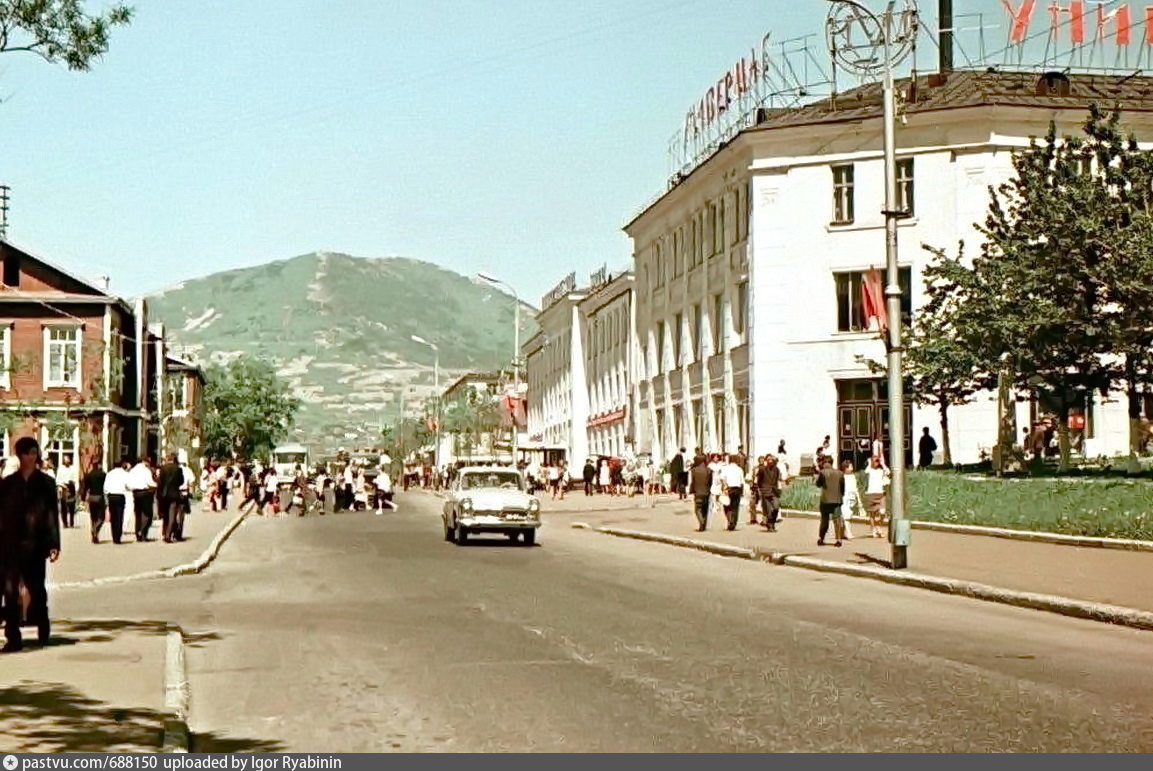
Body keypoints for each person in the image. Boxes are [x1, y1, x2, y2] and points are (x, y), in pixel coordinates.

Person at [1, 437, 61, 652]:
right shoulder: (8, 484)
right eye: (27, 453)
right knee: (10, 592)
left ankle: (43, 630)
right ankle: (13, 637)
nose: (31, 457)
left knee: (37, 588)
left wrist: (54, 543)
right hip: (11, 545)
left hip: (36, 544)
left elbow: (52, 514)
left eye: (34, 453)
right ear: (19, 456)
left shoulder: (46, 483)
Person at [814, 456, 845, 547]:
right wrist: (841, 495)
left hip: (825, 500)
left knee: (824, 520)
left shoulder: (822, 472)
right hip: (837, 500)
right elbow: (843, 487)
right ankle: (838, 539)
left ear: (824, 463)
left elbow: (818, 484)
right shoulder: (840, 473)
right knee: (837, 520)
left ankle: (821, 538)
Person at [156, 453, 185, 544]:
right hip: (174, 495)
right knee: (172, 515)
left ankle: (164, 533)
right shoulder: (178, 469)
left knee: (165, 515)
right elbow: (181, 481)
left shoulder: (163, 468)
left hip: (164, 495)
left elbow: (160, 482)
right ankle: (168, 535)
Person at [127, 457, 157, 542]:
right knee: (147, 514)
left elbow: (129, 484)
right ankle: (143, 533)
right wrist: (157, 485)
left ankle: (138, 533)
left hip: (136, 493)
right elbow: (150, 482)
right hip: (145, 493)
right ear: (145, 462)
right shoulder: (146, 471)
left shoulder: (132, 471)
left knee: (138, 514)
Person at [103, 458, 131, 545]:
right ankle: (118, 536)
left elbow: (105, 487)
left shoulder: (109, 474)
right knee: (119, 516)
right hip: (120, 496)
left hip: (111, 496)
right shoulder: (124, 473)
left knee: (113, 516)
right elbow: (128, 485)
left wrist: (107, 494)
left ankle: (114, 535)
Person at [863, 455, 891, 539]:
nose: (876, 462)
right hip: (871, 493)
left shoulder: (881, 471)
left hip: (880, 493)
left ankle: (878, 527)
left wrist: (883, 463)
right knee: (872, 514)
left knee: (882, 512)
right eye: (875, 461)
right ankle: (874, 530)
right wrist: (869, 463)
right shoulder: (870, 470)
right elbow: (866, 472)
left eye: (877, 461)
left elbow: (888, 472)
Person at [81, 460, 107, 545]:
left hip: (91, 497)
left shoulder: (89, 475)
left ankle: (94, 536)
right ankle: (95, 529)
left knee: (93, 517)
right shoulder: (103, 475)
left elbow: (85, 487)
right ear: (99, 465)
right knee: (101, 517)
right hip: (99, 496)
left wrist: (83, 497)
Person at [755, 455, 782, 532]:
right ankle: (770, 526)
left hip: (774, 491)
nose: (770, 461)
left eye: (771, 460)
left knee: (776, 507)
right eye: (768, 460)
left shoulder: (777, 469)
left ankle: (771, 522)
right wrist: (761, 489)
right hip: (765, 491)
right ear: (766, 461)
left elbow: (777, 479)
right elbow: (759, 481)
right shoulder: (762, 469)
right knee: (768, 510)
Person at [720, 453, 745, 532]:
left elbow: (722, 479)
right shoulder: (739, 469)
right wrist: (742, 492)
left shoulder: (725, 468)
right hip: (737, 489)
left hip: (728, 488)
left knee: (727, 506)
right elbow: (742, 482)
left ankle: (730, 519)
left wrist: (724, 487)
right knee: (735, 507)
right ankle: (733, 522)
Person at [688, 454, 712, 531]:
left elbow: (693, 482)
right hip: (706, 492)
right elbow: (710, 482)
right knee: (705, 509)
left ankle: (701, 522)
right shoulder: (709, 470)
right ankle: (704, 525)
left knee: (698, 509)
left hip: (698, 492)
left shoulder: (694, 470)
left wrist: (691, 490)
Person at [55, 455, 78, 529]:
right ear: (63, 461)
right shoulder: (61, 469)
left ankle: (71, 521)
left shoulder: (73, 469)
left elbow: (75, 479)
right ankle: (65, 522)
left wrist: (74, 485)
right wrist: (62, 485)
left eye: (68, 459)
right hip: (64, 488)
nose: (67, 461)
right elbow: (58, 480)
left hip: (71, 488)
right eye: (65, 460)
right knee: (64, 507)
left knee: (72, 506)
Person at [840, 460, 859, 541]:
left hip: (852, 498)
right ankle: (848, 533)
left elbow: (855, 489)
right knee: (846, 516)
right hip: (844, 497)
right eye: (850, 466)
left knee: (846, 516)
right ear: (846, 468)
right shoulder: (842, 477)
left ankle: (841, 533)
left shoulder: (853, 477)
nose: (852, 468)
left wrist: (858, 499)